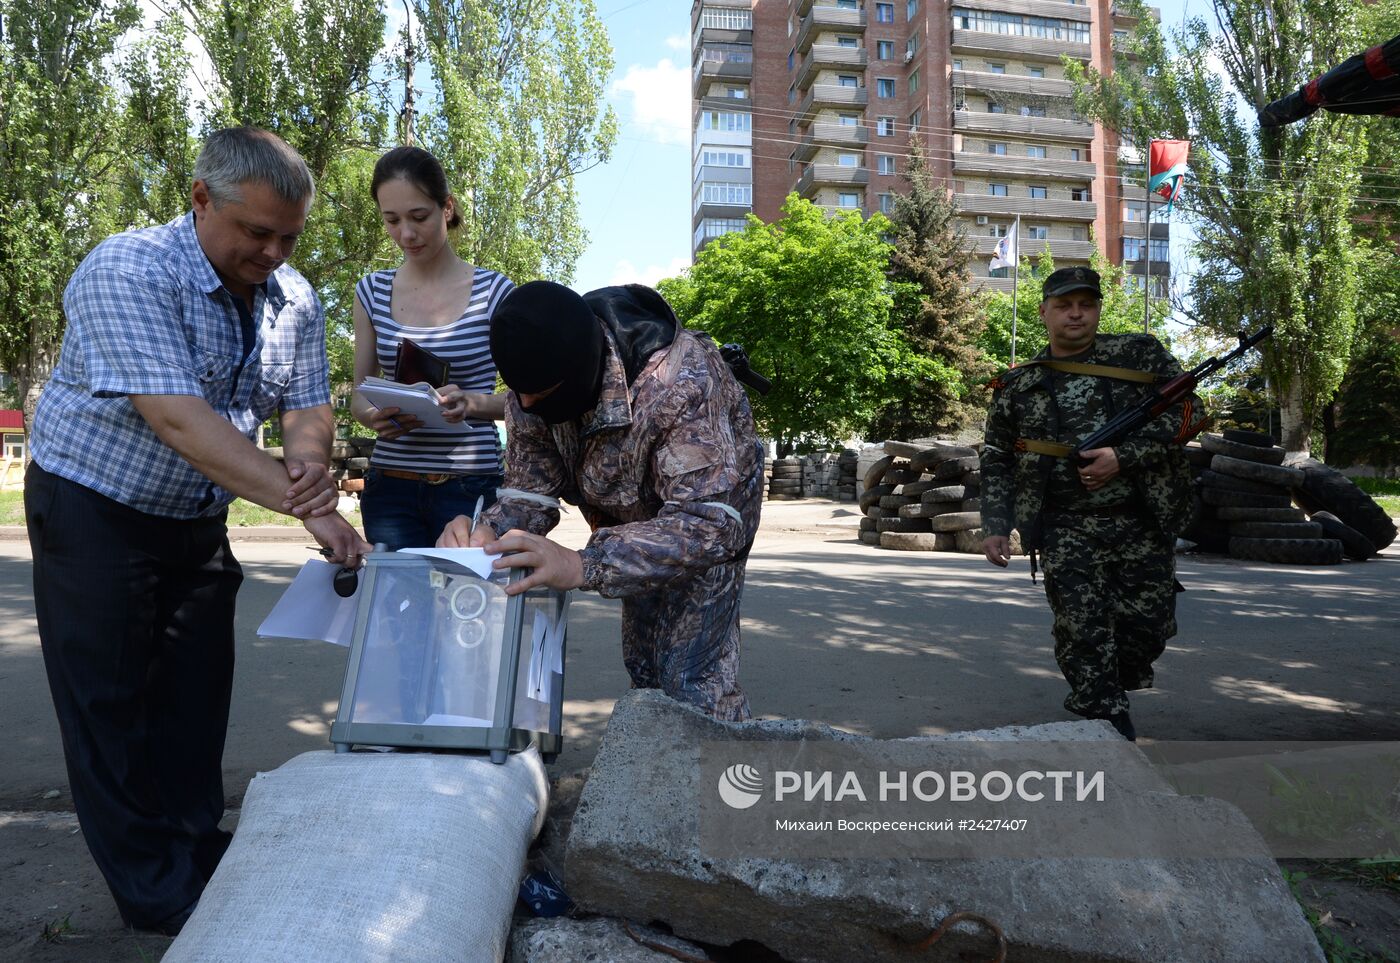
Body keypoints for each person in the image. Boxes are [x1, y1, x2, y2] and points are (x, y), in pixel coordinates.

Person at [24, 127, 371, 934]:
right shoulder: (128, 268)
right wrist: (304, 504)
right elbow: (179, 419)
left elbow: (307, 405)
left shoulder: (295, 297)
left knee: (194, 693)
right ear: (201, 198)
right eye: (257, 233)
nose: (275, 252)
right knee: (109, 703)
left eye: (290, 235)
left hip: (194, 513)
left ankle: (193, 843)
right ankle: (152, 890)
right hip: (96, 505)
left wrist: (311, 474)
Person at [437, 281, 763, 721]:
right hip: (630, 517)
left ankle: (718, 781)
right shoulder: (531, 383)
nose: (527, 405)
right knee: (646, 666)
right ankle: (652, 777)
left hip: (708, 512)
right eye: (519, 393)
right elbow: (531, 488)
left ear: (581, 368)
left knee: (693, 679)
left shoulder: (680, 382)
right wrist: (487, 531)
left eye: (541, 394)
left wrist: (582, 564)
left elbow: (707, 523)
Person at [979, 267, 1195, 741]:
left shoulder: (1139, 354)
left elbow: (1188, 416)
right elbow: (996, 456)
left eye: (1086, 304)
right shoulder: (1019, 384)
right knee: (1083, 627)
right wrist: (996, 524)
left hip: (1142, 520)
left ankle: (1110, 686)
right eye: (1063, 305)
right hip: (1064, 526)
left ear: (1097, 308)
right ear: (1044, 313)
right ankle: (1108, 721)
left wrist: (1124, 456)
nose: (1076, 313)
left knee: (1148, 627)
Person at [349, 147, 514, 550]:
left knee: (467, 609)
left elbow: (527, 400)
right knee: (393, 611)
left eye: (418, 217)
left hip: (470, 485)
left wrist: (472, 404)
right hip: (391, 488)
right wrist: (373, 417)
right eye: (392, 220)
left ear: (447, 208)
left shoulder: (495, 292)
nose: (406, 233)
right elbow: (358, 392)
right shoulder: (370, 291)